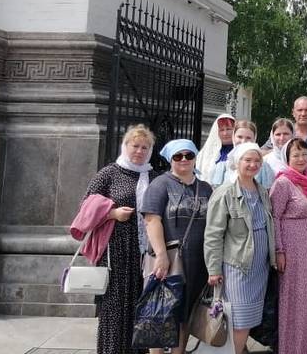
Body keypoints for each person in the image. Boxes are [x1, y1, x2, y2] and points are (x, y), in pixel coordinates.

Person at [84, 124, 163, 354]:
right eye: (135, 146)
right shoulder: (109, 173)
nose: (139, 151)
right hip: (116, 250)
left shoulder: (154, 176)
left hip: (144, 252)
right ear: (125, 146)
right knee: (115, 307)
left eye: (144, 147)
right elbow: (86, 208)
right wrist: (112, 214)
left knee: (141, 304)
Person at [141, 138, 213, 354]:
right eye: (178, 156)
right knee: (160, 312)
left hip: (197, 262)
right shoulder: (160, 184)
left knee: (185, 315)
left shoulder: (206, 188)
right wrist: (161, 254)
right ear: (170, 159)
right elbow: (152, 220)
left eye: (188, 155)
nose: (184, 160)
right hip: (168, 260)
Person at [204, 143, 276, 354]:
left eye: (257, 161)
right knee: (239, 320)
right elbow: (213, 234)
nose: (253, 164)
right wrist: (214, 268)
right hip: (238, 266)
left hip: (259, 267)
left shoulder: (262, 191)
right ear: (237, 163)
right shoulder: (224, 192)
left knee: (248, 319)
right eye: (248, 160)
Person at [270, 138, 307, 354]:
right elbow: (274, 217)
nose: (301, 159)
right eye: (296, 155)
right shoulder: (283, 183)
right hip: (292, 249)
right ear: (287, 158)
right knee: (294, 299)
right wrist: (279, 250)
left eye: (304, 154)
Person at [198, 114, 235, 184]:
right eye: (221, 130)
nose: (225, 133)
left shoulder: (241, 151)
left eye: (228, 129)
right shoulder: (205, 154)